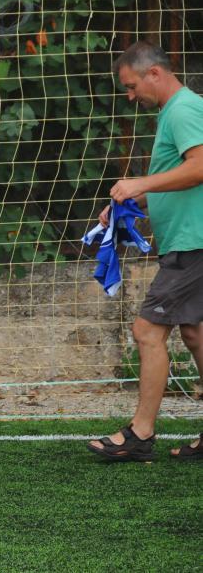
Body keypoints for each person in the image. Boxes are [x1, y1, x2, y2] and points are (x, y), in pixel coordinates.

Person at [88, 40, 203, 461]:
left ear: (154, 73)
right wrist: (129, 204)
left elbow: (200, 167)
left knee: (147, 330)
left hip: (194, 241)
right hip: (188, 240)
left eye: (132, 86)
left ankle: (140, 433)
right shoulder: (173, 112)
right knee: (194, 331)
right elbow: (178, 178)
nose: (130, 96)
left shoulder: (185, 109)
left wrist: (140, 183)